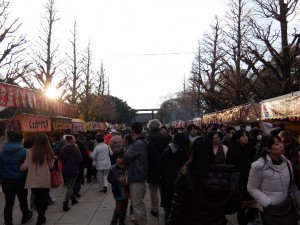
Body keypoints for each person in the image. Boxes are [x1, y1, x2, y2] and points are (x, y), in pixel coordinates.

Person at [167, 136, 236, 225]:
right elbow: (232, 206)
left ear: (192, 152)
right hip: (217, 221)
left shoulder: (186, 176)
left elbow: (178, 209)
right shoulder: (223, 174)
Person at [247, 134, 300, 225]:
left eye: (281, 142)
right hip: (270, 210)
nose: (281, 145)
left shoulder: (287, 163)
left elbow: (293, 186)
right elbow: (252, 188)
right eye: (276, 144)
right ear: (267, 149)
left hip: (288, 207)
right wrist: (267, 202)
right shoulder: (258, 166)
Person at [20, 133, 54, 225]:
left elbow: (26, 165)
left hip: (33, 180)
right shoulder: (48, 152)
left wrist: (20, 167)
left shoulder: (30, 151)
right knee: (43, 199)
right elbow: (51, 166)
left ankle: (40, 216)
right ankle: (41, 216)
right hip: (45, 179)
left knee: (37, 199)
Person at [226, 129, 258, 225]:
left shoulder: (251, 148)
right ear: (237, 139)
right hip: (239, 179)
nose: (246, 137)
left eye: (246, 135)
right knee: (241, 206)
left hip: (251, 178)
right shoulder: (232, 148)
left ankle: (245, 221)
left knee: (254, 206)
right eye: (243, 136)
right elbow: (229, 164)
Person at [0, 131, 32, 225]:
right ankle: (25, 216)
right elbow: (26, 167)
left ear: (10, 139)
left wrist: (2, 177)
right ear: (20, 140)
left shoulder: (2, 152)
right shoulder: (24, 151)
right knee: (23, 200)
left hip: (6, 181)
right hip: (20, 180)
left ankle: (8, 222)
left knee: (9, 203)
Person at [160, 132, 189, 225]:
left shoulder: (167, 150)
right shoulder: (188, 152)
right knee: (181, 208)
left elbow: (161, 166)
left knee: (168, 208)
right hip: (182, 180)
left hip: (168, 180)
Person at [124, 122, 149, 225]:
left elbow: (126, 156)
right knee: (137, 203)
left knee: (137, 204)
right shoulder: (140, 141)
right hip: (138, 175)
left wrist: (127, 149)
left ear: (132, 130)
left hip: (137, 176)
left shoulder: (138, 143)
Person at [146, 119, 169, 217]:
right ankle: (166, 208)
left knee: (153, 190)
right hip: (164, 167)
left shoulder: (147, 138)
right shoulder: (165, 137)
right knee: (163, 189)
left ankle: (154, 209)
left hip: (152, 167)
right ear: (159, 126)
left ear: (149, 127)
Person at [59, 135, 83, 211]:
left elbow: (61, 159)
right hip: (73, 170)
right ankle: (65, 203)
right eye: (74, 138)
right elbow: (80, 159)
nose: (75, 139)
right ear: (71, 140)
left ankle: (73, 199)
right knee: (70, 187)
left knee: (70, 184)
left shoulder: (63, 148)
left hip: (65, 170)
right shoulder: (75, 148)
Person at [107, 150, 130, 225]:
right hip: (118, 191)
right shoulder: (113, 168)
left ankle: (122, 221)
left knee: (125, 207)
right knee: (118, 209)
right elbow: (109, 178)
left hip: (126, 190)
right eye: (117, 158)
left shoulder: (127, 167)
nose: (117, 159)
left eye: (120, 158)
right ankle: (113, 222)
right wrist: (117, 180)